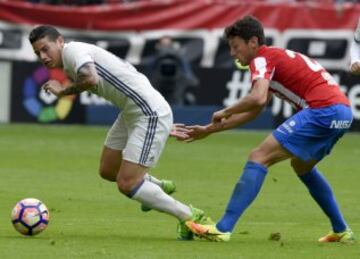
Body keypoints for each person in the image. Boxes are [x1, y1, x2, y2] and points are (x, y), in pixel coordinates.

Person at [173, 16, 355, 243]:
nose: (232, 53)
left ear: (253, 42)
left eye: (235, 46)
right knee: (301, 166)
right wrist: (209, 130)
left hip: (323, 111)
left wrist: (225, 111)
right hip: (343, 113)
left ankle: (222, 228)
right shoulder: (274, 58)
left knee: (259, 157)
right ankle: (341, 230)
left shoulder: (260, 59)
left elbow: (256, 99)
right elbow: (254, 111)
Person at [28, 25, 211, 240]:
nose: (43, 56)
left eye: (45, 48)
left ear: (60, 41)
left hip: (147, 113)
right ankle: (158, 187)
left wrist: (63, 91)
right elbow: (131, 76)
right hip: (134, 112)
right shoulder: (70, 60)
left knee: (127, 184)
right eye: (37, 53)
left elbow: (91, 79)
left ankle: (190, 216)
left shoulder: (73, 52)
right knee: (108, 170)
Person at [148, 36, 199, 105]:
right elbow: (148, 76)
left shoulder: (181, 60)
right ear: (158, 46)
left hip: (176, 92)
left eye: (168, 45)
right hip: (158, 91)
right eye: (163, 45)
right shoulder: (153, 60)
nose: (166, 48)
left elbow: (191, 78)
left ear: (172, 45)